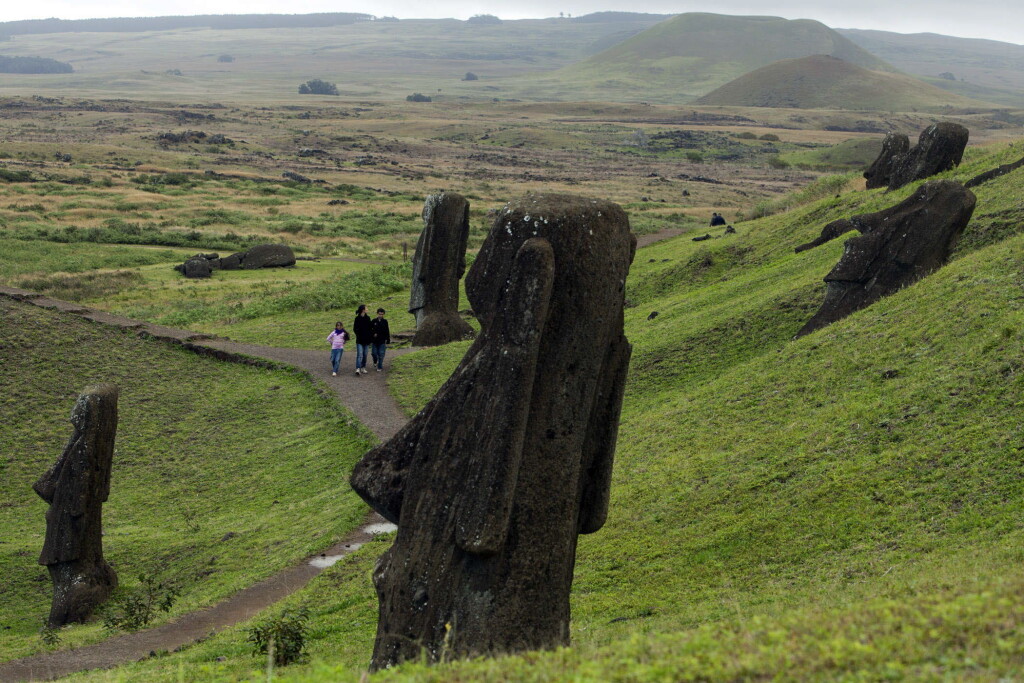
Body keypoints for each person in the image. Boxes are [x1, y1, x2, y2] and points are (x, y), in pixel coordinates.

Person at [370, 308, 392, 372]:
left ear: (383, 314)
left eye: (382, 314)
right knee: (374, 353)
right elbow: (370, 330)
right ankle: (375, 360)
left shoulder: (385, 321)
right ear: (377, 314)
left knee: (381, 354)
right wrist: (373, 334)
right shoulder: (373, 321)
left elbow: (387, 330)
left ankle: (380, 366)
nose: (380, 315)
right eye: (379, 314)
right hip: (374, 341)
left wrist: (388, 339)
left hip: (382, 340)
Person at [353, 304, 373, 375]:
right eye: (366, 308)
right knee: (360, 354)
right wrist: (359, 335)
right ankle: (358, 368)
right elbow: (355, 329)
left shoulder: (368, 318)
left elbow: (370, 328)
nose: (367, 309)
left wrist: (370, 337)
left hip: (367, 340)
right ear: (363, 310)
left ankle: (363, 367)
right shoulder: (357, 319)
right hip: (359, 340)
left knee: (365, 354)